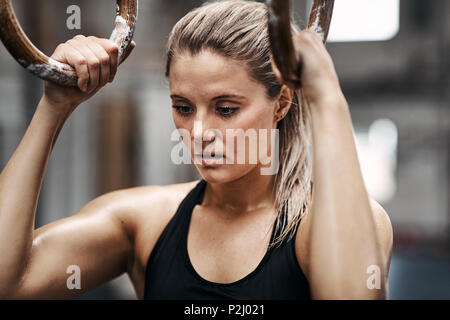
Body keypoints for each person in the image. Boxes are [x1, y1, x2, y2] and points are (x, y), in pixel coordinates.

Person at [0, 0, 393, 300]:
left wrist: (327, 100)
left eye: (225, 109)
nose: (199, 132)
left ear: (282, 102)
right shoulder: (145, 222)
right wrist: (55, 105)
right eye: (183, 108)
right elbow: (10, 282)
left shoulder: (330, 226)